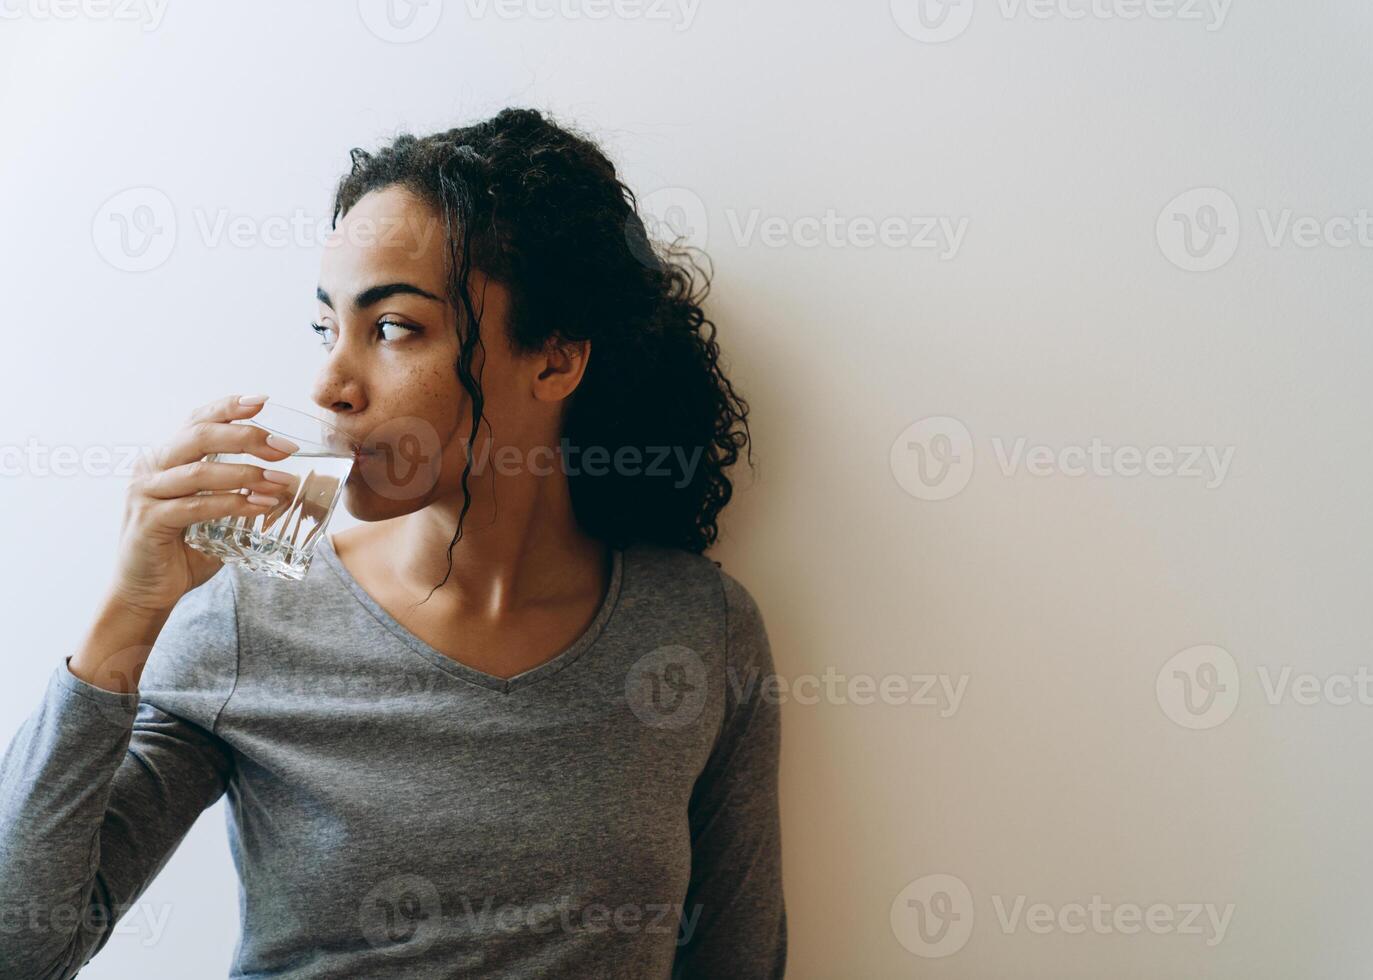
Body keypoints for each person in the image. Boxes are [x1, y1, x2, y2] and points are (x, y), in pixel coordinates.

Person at [0, 107, 786, 979]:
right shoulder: (245, 624)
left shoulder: (697, 629)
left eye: (393, 328)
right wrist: (126, 620)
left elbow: (737, 961)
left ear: (555, 361)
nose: (329, 383)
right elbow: (20, 947)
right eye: (325, 327)